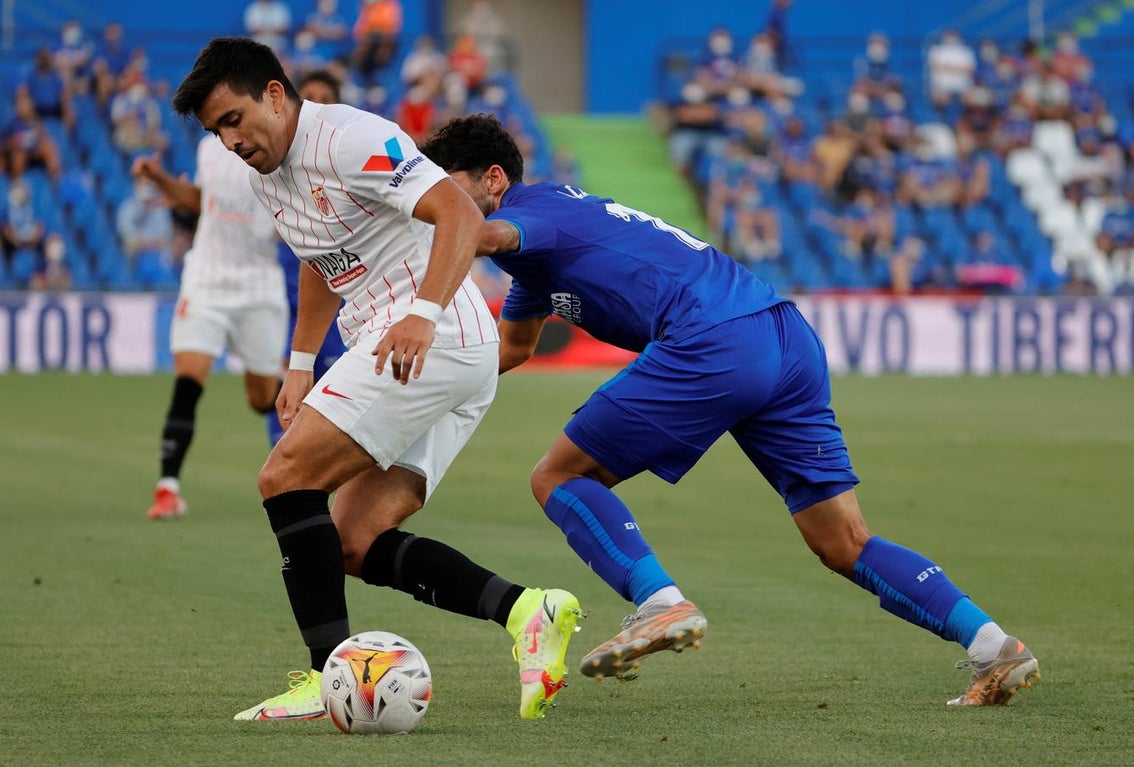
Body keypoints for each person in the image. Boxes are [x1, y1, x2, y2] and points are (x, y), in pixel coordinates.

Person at [420, 113, 1042, 707]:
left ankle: (659, 601)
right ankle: (995, 647)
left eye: (445, 191)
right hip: (782, 335)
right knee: (842, 540)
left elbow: (481, 234)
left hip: (713, 338)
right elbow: (514, 347)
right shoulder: (539, 256)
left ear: (493, 178)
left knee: (558, 476)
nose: (436, 207)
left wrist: (407, 255)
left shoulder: (535, 214)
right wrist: (414, 390)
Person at [171, 37, 582, 722]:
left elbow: (458, 212)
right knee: (354, 537)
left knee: (284, 476)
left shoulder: (351, 138)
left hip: (433, 332)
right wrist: (300, 362)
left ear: (274, 93)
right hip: (421, 346)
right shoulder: (268, 177)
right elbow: (317, 257)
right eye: (217, 131)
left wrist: (423, 312)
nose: (230, 141)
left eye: (234, 119)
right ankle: (527, 611)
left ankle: (324, 673)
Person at [131, 116, 286, 520]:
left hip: (258, 285)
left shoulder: (283, 150)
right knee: (189, 378)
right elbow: (202, 201)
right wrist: (159, 179)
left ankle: (293, 384)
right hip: (206, 279)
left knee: (261, 399)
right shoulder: (209, 149)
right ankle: (168, 488)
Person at [266, 69, 349, 447]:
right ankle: (287, 491)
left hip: (336, 312)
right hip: (284, 308)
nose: (316, 104)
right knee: (283, 402)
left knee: (336, 406)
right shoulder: (274, 172)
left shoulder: (348, 166)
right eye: (309, 96)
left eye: (324, 97)